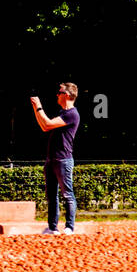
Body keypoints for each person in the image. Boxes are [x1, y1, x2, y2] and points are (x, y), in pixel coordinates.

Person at [31, 83, 80, 234]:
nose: (57, 95)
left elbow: (47, 123)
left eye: (60, 92)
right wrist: (36, 108)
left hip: (63, 159)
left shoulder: (71, 114)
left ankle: (69, 227)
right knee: (52, 196)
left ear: (67, 94)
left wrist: (38, 106)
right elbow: (45, 127)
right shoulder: (63, 113)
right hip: (52, 159)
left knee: (67, 194)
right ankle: (52, 228)